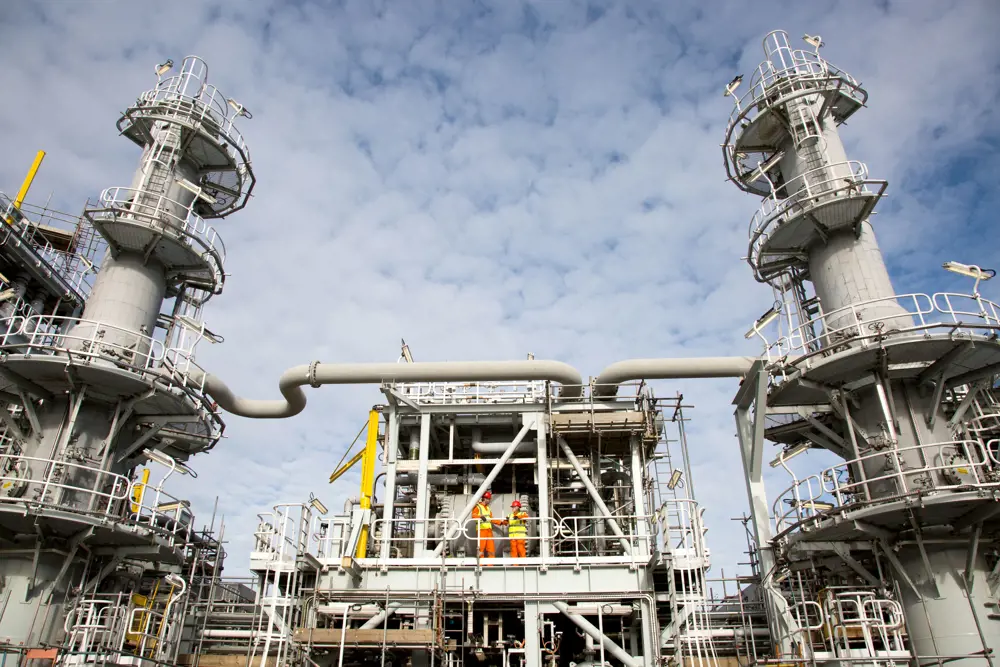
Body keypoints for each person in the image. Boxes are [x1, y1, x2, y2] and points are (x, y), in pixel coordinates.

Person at [471, 491, 502, 558]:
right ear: (485, 499)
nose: (489, 500)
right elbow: (473, 515)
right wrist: (480, 516)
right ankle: (481, 565)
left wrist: (501, 522)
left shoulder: (488, 508)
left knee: (491, 548)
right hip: (481, 530)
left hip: (489, 530)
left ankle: (490, 565)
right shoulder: (477, 506)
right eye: (488, 499)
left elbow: (491, 519)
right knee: (481, 548)